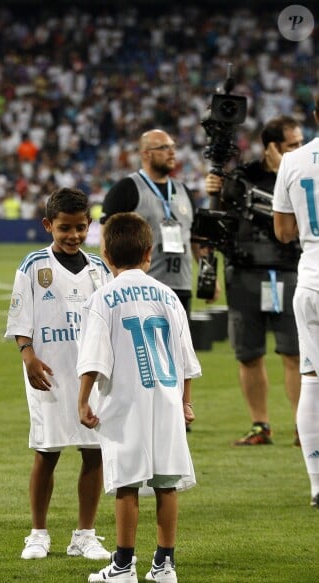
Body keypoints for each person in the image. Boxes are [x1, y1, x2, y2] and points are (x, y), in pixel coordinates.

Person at [78, 212, 201, 583]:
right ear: (149, 253)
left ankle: (123, 566)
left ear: (106, 255)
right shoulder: (167, 295)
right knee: (166, 483)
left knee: (127, 484)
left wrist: (83, 400)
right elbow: (185, 357)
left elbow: (93, 358)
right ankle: (164, 565)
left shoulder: (104, 298)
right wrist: (185, 401)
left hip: (125, 401)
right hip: (165, 400)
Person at [5, 187, 113, 562]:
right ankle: (37, 533)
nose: (74, 235)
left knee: (94, 453)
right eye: (65, 228)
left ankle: (85, 534)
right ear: (49, 225)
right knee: (47, 451)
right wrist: (27, 355)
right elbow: (21, 317)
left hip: (90, 376)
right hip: (47, 372)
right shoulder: (33, 266)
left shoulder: (99, 269)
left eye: (81, 227)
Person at [205, 115, 303, 446]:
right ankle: (260, 426)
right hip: (244, 273)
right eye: (293, 144)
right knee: (248, 353)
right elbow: (221, 224)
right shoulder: (242, 178)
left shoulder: (304, 174)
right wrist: (213, 193)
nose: (300, 149)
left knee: (295, 353)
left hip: (289, 270)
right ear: (272, 146)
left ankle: (303, 427)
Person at [100, 129, 204, 317]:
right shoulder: (125, 189)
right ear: (146, 153)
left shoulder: (184, 191)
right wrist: (117, 283)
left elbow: (194, 238)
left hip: (181, 288)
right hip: (141, 289)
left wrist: (207, 276)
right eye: (164, 147)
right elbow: (106, 240)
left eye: (173, 147)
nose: (172, 152)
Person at [273, 96, 319, 507]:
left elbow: (284, 232)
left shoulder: (292, 161)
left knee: (311, 381)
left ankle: (317, 483)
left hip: (311, 281)